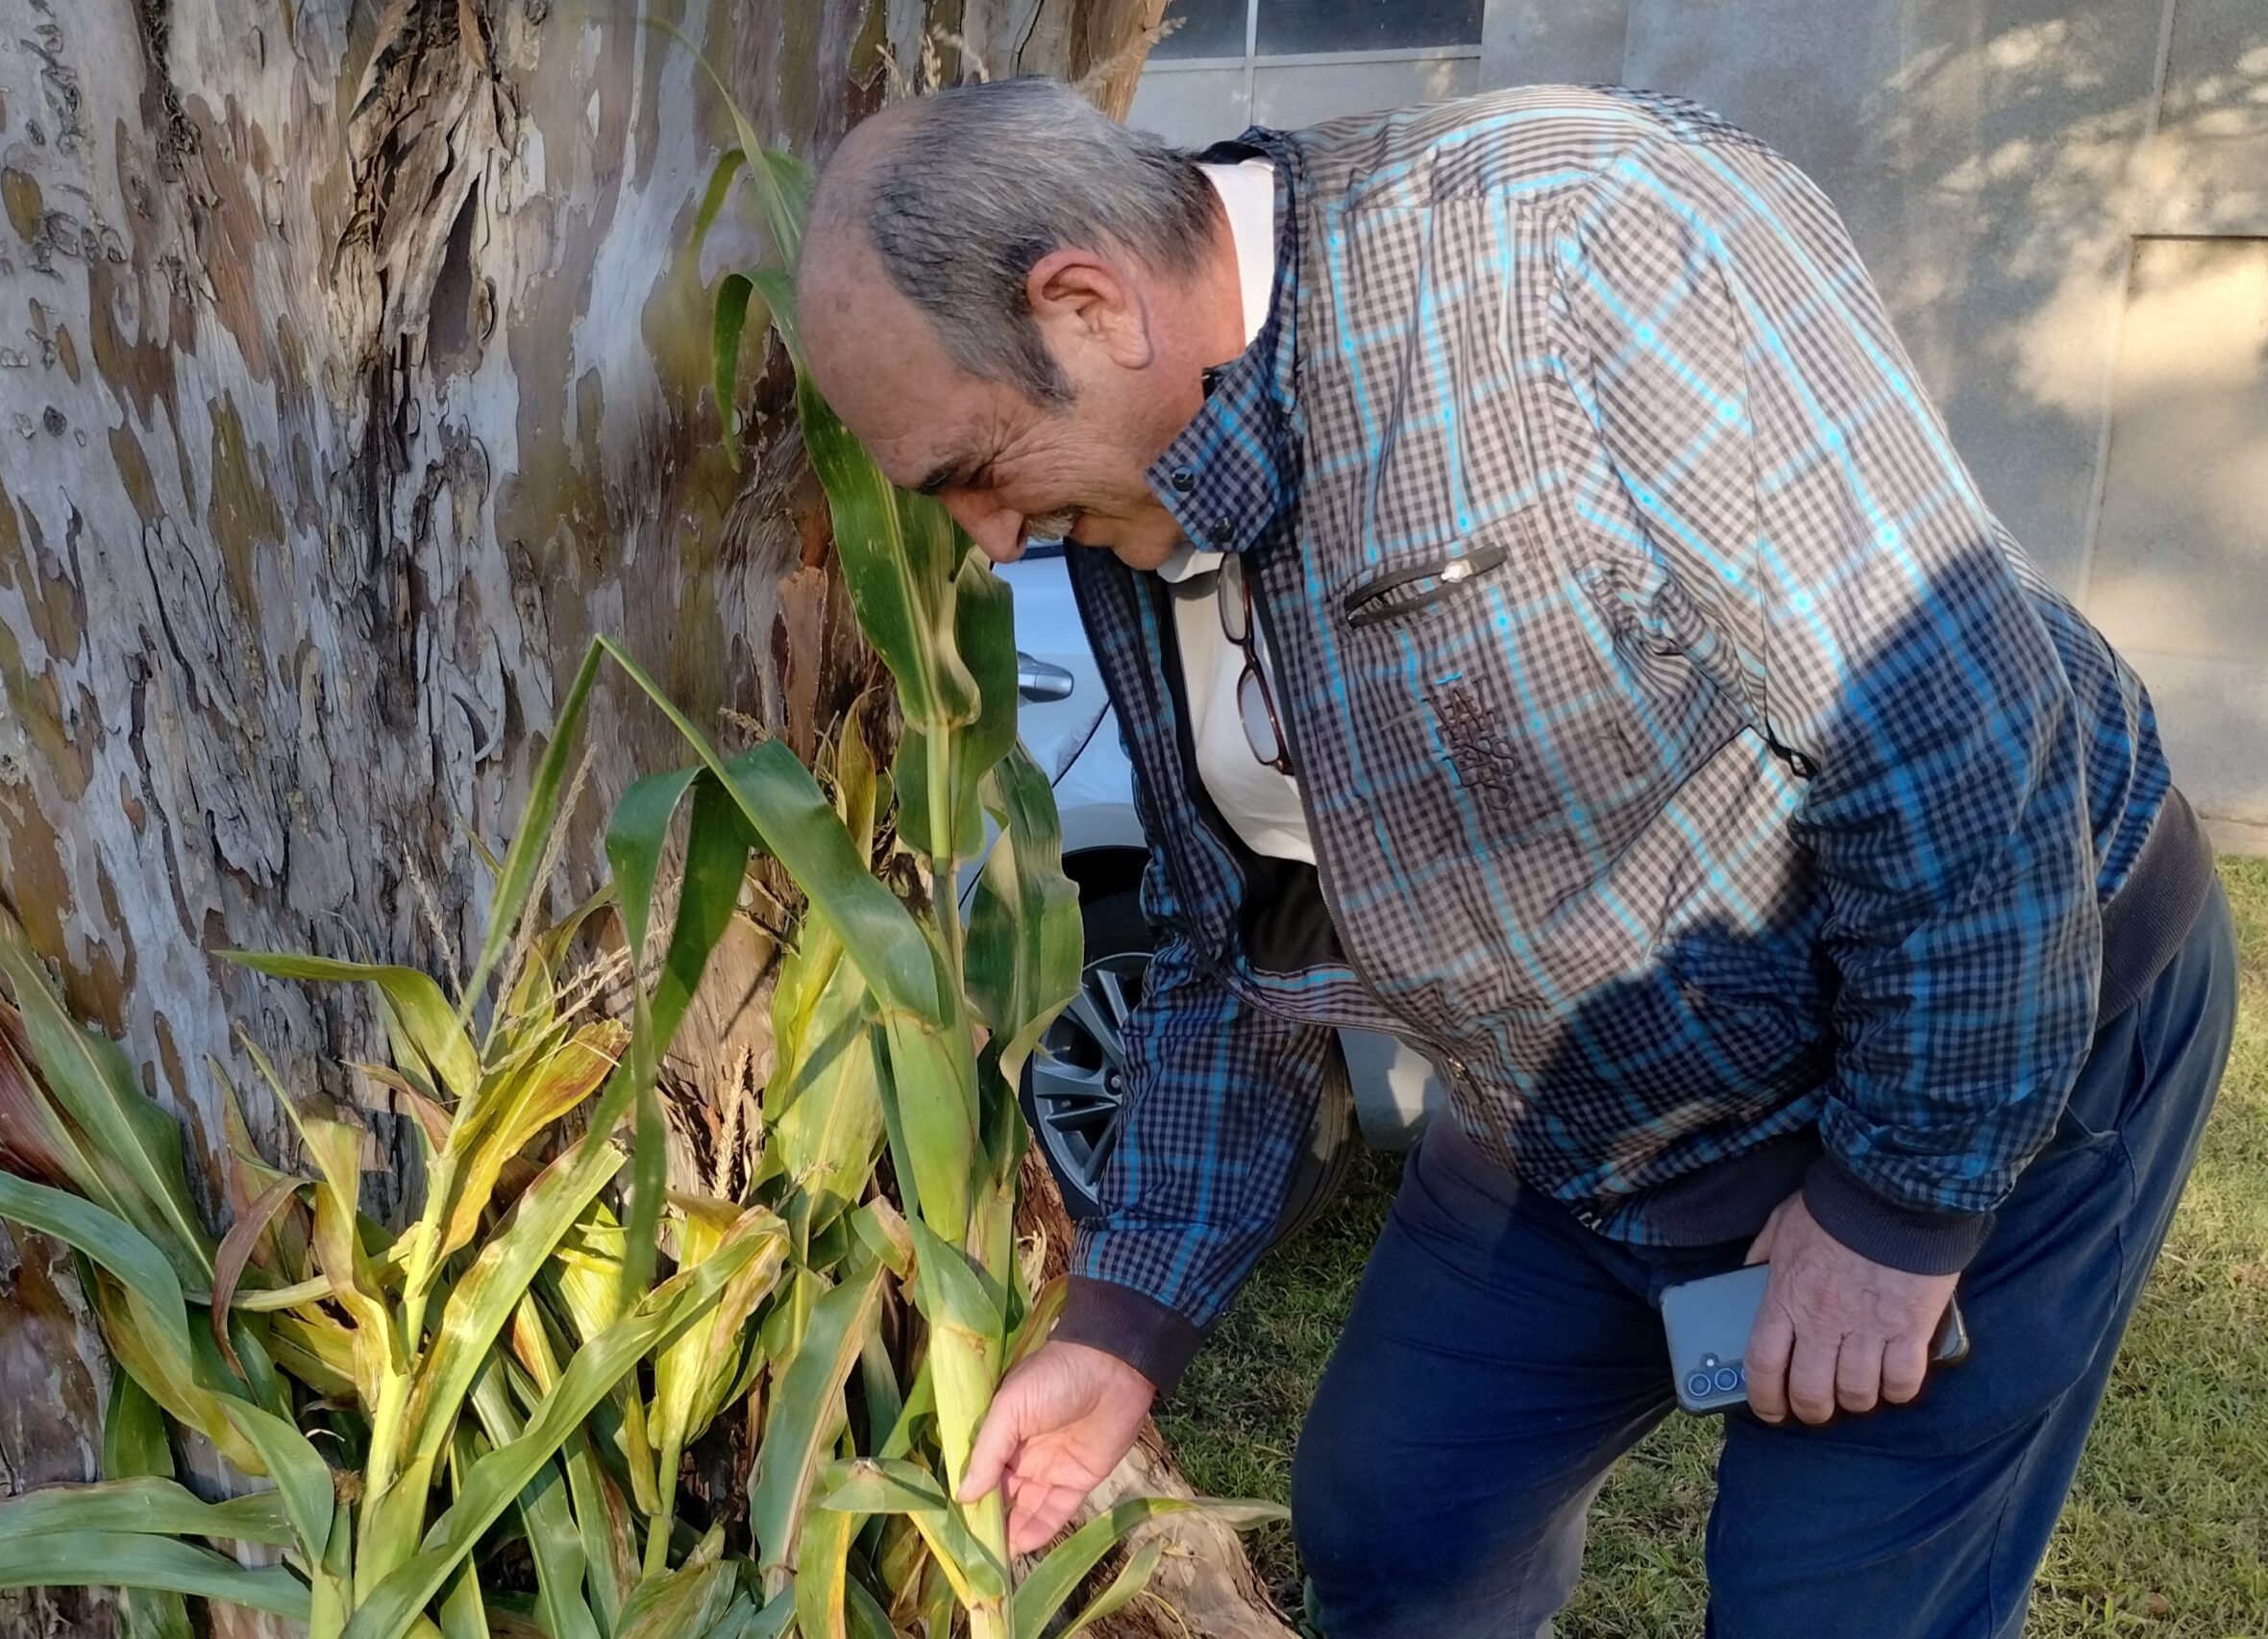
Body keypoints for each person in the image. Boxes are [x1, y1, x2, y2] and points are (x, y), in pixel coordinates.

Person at [793, 77, 2232, 1638]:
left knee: (1832, 1603)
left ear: (1087, 303)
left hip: (1993, 1022)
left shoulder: (1590, 255)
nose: (991, 543)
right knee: (1399, 1517)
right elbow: (1242, 950)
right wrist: (1122, 1324)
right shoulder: (1144, 483)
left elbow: (1966, 758)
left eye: (974, 472)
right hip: (1580, 1094)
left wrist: (1900, 1210)